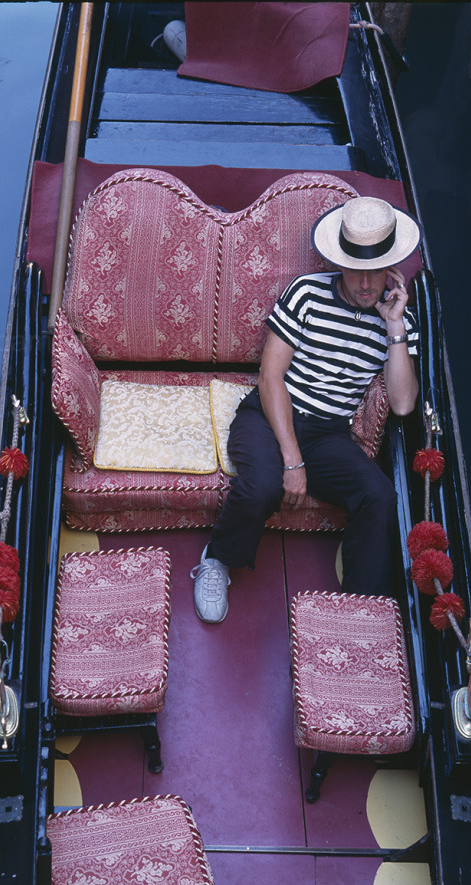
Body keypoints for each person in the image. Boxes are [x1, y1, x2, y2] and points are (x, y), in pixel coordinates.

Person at [191, 195, 421, 623]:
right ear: (340, 262)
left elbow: (405, 403)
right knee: (263, 485)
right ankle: (216, 559)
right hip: (269, 414)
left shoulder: (398, 320)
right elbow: (270, 377)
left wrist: (393, 327)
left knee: (379, 495)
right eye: (357, 271)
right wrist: (292, 460)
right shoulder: (307, 294)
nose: (367, 284)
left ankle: (360, 613)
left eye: (376, 272)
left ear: (390, 269)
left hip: (329, 433)